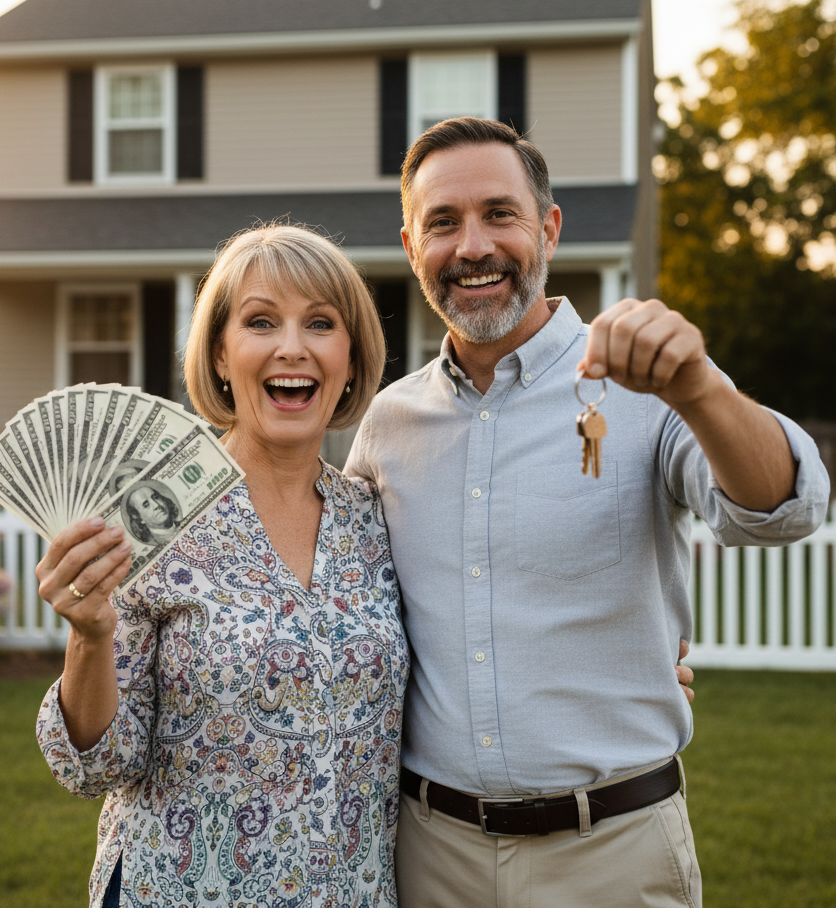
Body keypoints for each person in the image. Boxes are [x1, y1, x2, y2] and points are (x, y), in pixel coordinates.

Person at [344, 117, 831, 908]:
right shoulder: (388, 425)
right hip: (432, 855)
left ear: (549, 229)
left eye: (500, 214)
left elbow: (781, 511)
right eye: (443, 222)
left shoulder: (648, 382)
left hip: (613, 854)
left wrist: (701, 384)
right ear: (411, 246)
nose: (472, 246)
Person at [34, 224, 408, 908]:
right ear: (219, 355)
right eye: (261, 321)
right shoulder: (151, 512)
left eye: (320, 323)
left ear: (351, 358)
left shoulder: (374, 518)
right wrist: (88, 637)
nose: (291, 347)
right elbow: (95, 764)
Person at [121, 479, 180, 548]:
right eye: (146, 505)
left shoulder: (181, 523)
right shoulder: (152, 542)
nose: (156, 505)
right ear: (139, 519)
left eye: (156, 498)